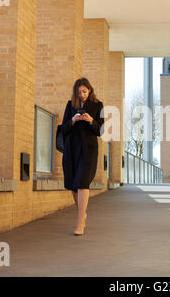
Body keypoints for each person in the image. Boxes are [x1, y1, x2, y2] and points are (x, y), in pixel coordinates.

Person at [61, 77, 104, 236]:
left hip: (89, 149)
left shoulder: (98, 105)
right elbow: (63, 129)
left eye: (84, 91)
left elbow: (101, 130)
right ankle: (82, 213)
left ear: (90, 90)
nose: (82, 95)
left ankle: (80, 223)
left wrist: (91, 120)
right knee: (73, 185)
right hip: (71, 149)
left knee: (82, 183)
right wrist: (72, 120)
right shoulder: (70, 105)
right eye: (79, 92)